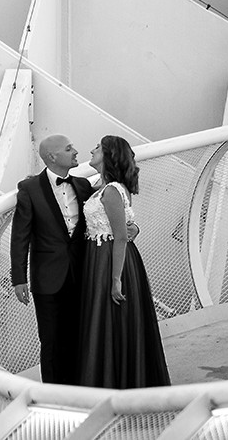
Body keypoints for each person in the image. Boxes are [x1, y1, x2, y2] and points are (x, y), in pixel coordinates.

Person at [77, 135, 170, 388]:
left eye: (97, 147)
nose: (91, 150)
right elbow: (125, 226)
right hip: (100, 258)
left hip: (110, 260)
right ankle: (115, 380)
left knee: (110, 319)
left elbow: (119, 237)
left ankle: (113, 383)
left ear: (108, 155)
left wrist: (116, 279)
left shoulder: (111, 191)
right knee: (109, 320)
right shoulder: (102, 186)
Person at [10, 134, 94, 384]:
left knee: (80, 335)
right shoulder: (29, 189)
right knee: (51, 341)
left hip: (82, 273)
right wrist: (18, 278)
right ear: (52, 157)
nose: (76, 151)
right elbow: (20, 237)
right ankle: (54, 395)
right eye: (69, 149)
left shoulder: (83, 186)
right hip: (47, 278)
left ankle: (81, 386)